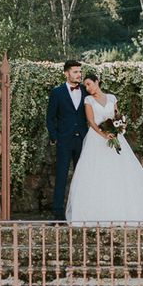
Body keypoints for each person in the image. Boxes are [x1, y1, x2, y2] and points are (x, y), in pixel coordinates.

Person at [65, 72, 143, 224]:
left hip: (115, 138)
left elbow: (117, 115)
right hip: (97, 139)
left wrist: (119, 126)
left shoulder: (112, 98)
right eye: (85, 85)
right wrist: (104, 134)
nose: (87, 88)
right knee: (98, 174)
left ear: (97, 82)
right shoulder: (88, 100)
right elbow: (91, 121)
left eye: (89, 84)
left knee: (123, 172)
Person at [46, 60, 89, 221]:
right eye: (75, 71)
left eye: (79, 71)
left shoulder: (86, 91)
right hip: (64, 141)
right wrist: (55, 137)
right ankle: (57, 212)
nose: (79, 74)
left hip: (83, 141)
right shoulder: (57, 92)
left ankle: (82, 210)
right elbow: (50, 118)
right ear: (66, 73)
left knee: (83, 176)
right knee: (61, 176)